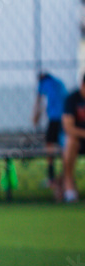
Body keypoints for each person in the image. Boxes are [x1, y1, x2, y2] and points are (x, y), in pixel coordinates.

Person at [33, 72, 67, 190]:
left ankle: (52, 178)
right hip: (65, 119)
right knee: (63, 147)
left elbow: (39, 101)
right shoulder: (59, 83)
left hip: (55, 119)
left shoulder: (43, 83)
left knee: (49, 146)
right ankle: (64, 176)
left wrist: (35, 117)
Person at [62, 74, 85, 203]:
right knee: (71, 141)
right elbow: (68, 127)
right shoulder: (72, 99)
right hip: (77, 138)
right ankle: (68, 184)